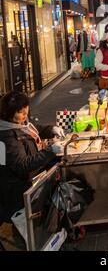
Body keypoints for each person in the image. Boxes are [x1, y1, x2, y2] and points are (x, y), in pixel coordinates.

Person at [0, 92, 64, 223]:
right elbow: (22, 165)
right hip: (22, 188)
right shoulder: (7, 136)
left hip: (34, 172)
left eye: (26, 109)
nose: (25, 115)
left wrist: (52, 129)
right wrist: (50, 151)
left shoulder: (20, 124)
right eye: (21, 112)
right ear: (9, 113)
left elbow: (35, 129)